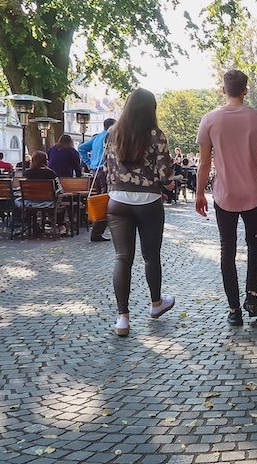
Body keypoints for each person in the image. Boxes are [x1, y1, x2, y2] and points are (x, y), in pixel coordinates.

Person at [196, 69, 257, 326]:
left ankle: (234, 309)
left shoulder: (209, 120)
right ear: (246, 90)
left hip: (224, 195)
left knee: (228, 250)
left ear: (223, 90)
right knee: (254, 244)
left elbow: (203, 164)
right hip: (253, 194)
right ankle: (252, 295)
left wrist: (200, 193)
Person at [104, 89, 176, 337]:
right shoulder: (156, 135)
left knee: (122, 257)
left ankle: (123, 318)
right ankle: (156, 304)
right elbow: (165, 174)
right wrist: (169, 183)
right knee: (150, 255)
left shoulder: (114, 133)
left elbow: (106, 167)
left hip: (117, 200)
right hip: (148, 201)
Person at [78, 118, 116, 242]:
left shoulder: (97, 137)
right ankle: (97, 231)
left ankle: (98, 230)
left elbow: (82, 148)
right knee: (105, 200)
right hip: (104, 171)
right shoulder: (110, 136)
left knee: (101, 199)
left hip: (95, 171)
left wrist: (89, 163)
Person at [17, 150, 68, 236]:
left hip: (30, 202)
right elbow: (59, 189)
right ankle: (61, 226)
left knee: (18, 201)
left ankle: (32, 225)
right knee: (60, 204)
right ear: (45, 161)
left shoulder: (27, 173)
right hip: (48, 202)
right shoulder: (50, 173)